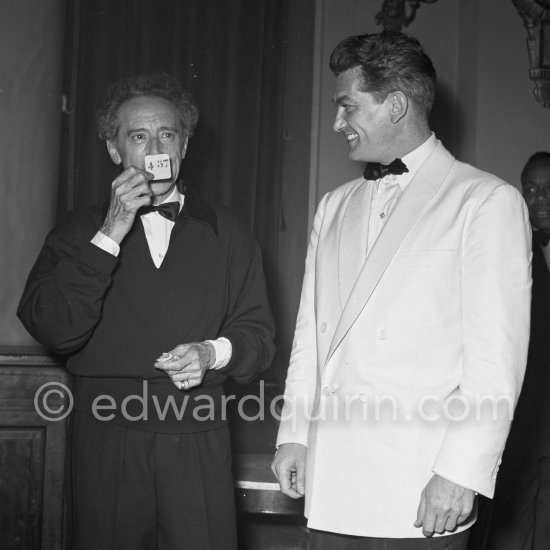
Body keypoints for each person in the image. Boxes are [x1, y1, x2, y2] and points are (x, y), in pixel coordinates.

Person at [271, 31, 531, 549]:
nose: (337, 124)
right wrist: (295, 434)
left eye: (347, 107)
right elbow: (311, 340)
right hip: (334, 482)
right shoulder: (333, 206)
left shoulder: (484, 201)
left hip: (419, 489)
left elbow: (494, 362)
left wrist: (461, 472)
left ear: (395, 105)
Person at [17, 73, 275, 550]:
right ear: (115, 151)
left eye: (167, 134)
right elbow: (53, 327)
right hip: (106, 436)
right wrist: (111, 232)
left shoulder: (230, 232)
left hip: (199, 432)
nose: (155, 146)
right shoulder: (77, 231)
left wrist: (211, 352)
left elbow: (259, 339)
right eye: (138, 136)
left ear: (185, 144)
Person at [485, 152, 550, 550]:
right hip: (526, 403)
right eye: (530, 189)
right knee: (515, 508)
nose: (539, 198)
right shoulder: (511, 248)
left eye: (549, 189)